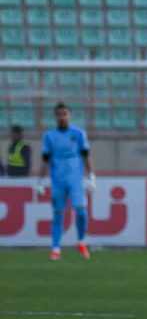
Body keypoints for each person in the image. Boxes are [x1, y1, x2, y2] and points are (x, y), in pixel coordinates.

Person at [37, 103, 95, 260]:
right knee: (58, 214)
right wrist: (40, 181)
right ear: (55, 116)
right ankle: (56, 248)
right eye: (59, 114)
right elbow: (45, 160)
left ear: (70, 115)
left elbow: (86, 155)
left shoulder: (79, 133)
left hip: (76, 180)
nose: (62, 117)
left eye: (65, 114)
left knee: (81, 213)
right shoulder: (49, 136)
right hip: (58, 181)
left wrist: (91, 176)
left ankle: (81, 242)